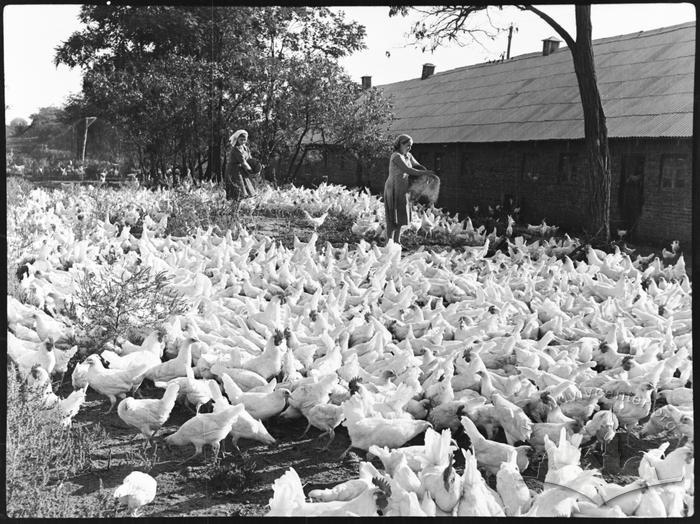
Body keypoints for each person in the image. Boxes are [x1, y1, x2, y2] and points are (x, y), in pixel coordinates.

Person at [384, 134, 434, 244]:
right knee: (393, 215)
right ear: (400, 144)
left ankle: (397, 241)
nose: (409, 148)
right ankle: (389, 242)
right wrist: (425, 173)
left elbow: (417, 166)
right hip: (393, 187)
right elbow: (408, 170)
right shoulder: (396, 156)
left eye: (411, 146)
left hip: (402, 188)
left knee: (401, 215)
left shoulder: (408, 156)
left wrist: (426, 174)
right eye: (407, 145)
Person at [224, 129, 259, 201]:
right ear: (237, 139)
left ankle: (244, 206)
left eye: (244, 139)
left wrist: (256, 167)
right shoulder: (236, 149)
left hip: (242, 170)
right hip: (234, 171)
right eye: (241, 139)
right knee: (238, 191)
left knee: (248, 190)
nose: (243, 141)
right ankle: (234, 207)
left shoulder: (246, 148)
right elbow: (243, 162)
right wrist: (251, 171)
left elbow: (249, 160)